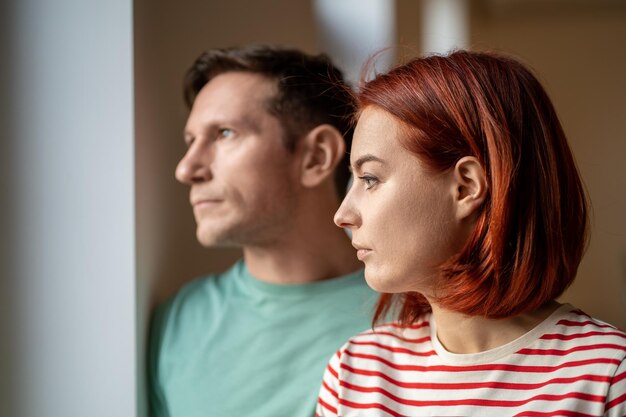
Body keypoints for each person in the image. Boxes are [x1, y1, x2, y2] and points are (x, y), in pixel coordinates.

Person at [316, 50, 626, 416]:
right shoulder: (353, 374)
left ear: (465, 187)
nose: (342, 215)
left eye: (370, 179)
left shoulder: (608, 376)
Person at [148, 45, 377, 417]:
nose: (187, 169)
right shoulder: (179, 319)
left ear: (316, 157)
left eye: (224, 133)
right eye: (191, 141)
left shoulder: (422, 314)